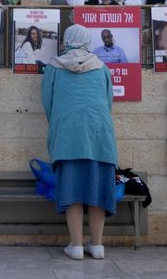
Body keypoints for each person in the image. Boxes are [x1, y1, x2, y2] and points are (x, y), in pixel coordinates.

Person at [41, 24, 118, 261]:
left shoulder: (54, 67)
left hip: (68, 135)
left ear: (67, 40)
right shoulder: (102, 67)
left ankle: (75, 246)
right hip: (99, 136)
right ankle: (97, 245)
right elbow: (108, 101)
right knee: (98, 190)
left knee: (72, 190)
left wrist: (59, 123)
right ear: (86, 41)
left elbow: (48, 102)